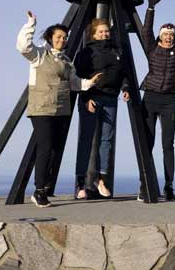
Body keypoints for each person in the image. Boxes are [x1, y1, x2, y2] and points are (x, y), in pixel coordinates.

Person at [16, 11, 80, 208]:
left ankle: (44, 187)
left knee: (54, 150)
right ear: (50, 38)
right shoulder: (39, 55)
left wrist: (91, 83)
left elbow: (75, 84)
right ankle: (39, 190)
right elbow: (23, 46)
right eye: (58, 36)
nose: (62, 39)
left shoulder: (67, 61)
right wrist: (31, 25)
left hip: (60, 109)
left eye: (64, 37)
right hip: (42, 108)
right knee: (45, 147)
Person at [138, 0, 175, 202]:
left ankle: (169, 186)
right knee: (148, 142)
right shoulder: (152, 49)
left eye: (171, 35)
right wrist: (150, 8)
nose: (169, 37)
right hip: (150, 98)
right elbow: (145, 31)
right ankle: (145, 185)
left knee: (168, 145)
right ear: (161, 37)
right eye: (166, 35)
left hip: (168, 100)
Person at [72, 17, 131, 199]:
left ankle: (101, 179)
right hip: (92, 99)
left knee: (106, 140)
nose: (105, 34)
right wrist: (86, 98)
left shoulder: (116, 50)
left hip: (111, 99)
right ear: (94, 34)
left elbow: (123, 73)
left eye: (107, 31)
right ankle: (81, 184)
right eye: (101, 31)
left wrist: (125, 88)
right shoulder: (86, 52)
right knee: (86, 140)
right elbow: (78, 77)